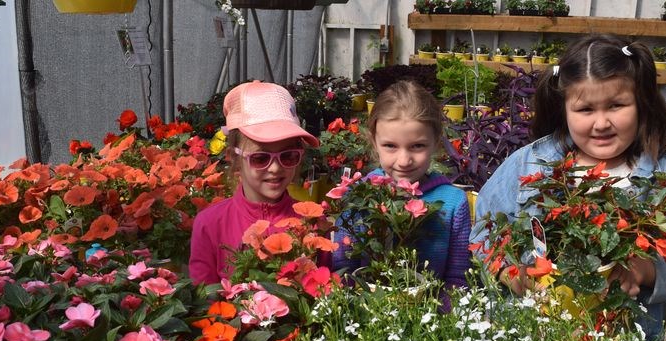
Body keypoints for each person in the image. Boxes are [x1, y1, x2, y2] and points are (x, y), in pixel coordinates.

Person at [469, 34, 666, 341]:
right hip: (530, 339)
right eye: (585, 109)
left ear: (641, 103)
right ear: (564, 110)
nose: (601, 123)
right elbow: (482, 236)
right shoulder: (527, 164)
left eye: (616, 105)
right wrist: (511, 274)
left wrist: (649, 270)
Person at [332, 79, 472, 288]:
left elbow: (458, 280)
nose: (404, 161)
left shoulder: (453, 202)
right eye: (390, 146)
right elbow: (342, 268)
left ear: (436, 141)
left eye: (417, 146)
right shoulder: (359, 195)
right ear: (374, 141)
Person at [189, 80, 320, 284]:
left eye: (288, 156)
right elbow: (204, 303)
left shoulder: (311, 221)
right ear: (234, 157)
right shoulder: (210, 224)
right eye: (260, 158)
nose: (275, 168)